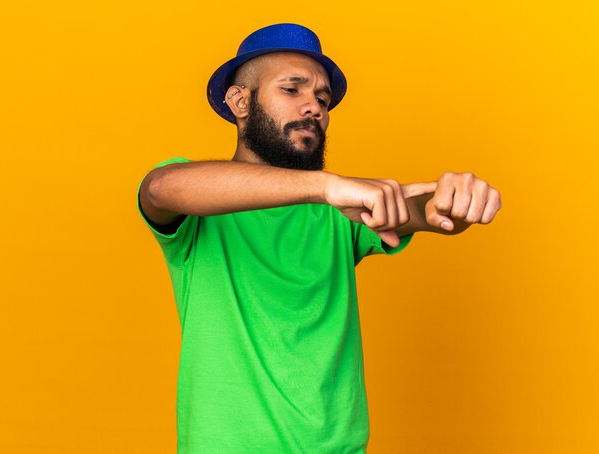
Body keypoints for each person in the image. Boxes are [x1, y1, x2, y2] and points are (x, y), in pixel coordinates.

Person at [138, 23, 501, 454]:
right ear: (240, 101)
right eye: (292, 90)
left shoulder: (338, 214)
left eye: (323, 99)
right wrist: (326, 186)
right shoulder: (202, 202)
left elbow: (417, 212)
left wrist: (451, 204)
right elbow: (160, 188)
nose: (314, 108)